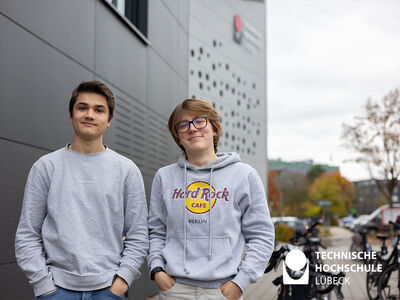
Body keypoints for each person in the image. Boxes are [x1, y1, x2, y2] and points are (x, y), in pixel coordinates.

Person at [15, 80, 148, 299]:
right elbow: (27, 234)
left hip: (109, 290)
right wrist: (44, 287)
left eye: (99, 110)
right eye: (82, 107)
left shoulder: (127, 170)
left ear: (109, 120)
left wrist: (121, 284)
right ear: (71, 115)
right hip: (56, 289)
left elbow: (139, 235)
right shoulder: (46, 167)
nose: (89, 114)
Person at [147, 98, 275, 300]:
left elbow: (262, 235)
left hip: (223, 291)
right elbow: (156, 230)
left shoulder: (244, 175)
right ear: (178, 137)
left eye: (200, 121)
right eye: (183, 125)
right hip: (174, 289)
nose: (192, 128)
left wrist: (240, 283)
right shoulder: (164, 177)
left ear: (214, 129)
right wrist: (157, 270)